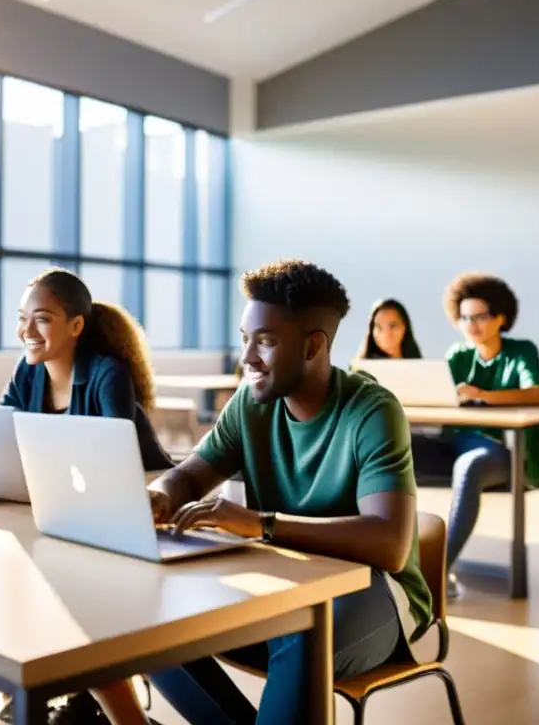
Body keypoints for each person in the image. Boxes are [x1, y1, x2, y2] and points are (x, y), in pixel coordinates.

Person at [145, 259, 432, 725]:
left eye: (266, 341)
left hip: (375, 593)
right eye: (245, 339)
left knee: (301, 630)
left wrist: (261, 525)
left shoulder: (373, 411)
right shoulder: (251, 401)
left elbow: (390, 545)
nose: (247, 357)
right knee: (153, 621)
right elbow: (193, 473)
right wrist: (160, 493)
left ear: (313, 345)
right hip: (281, 584)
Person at [0, 267, 170, 725]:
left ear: (76, 325)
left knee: (67, 587)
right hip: (69, 512)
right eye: (22, 318)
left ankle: (91, 699)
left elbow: (115, 461)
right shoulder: (27, 373)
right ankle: (61, 691)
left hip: (140, 508)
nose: (26, 331)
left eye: (42, 319)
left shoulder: (106, 374)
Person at [409, 273, 539, 601]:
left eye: (480, 317)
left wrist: (483, 395)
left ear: (501, 318)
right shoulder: (457, 355)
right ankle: (386, 560)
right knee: (393, 446)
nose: (472, 325)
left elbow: (535, 394)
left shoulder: (521, 351)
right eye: (465, 318)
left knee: (469, 466)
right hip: (452, 445)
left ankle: (435, 570)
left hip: (498, 451)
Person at [353, 298, 423, 361]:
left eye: (392, 326)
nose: (386, 333)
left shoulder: (418, 365)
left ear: (404, 327)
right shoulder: (363, 369)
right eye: (379, 327)